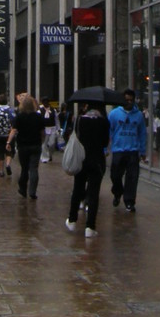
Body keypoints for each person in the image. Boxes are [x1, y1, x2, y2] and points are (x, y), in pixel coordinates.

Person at [65, 101, 110, 238]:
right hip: (97, 160)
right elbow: (104, 142)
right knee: (94, 192)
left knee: (78, 188)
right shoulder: (104, 122)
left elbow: (76, 137)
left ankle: (72, 220)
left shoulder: (80, 120)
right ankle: (90, 227)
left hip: (82, 159)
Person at [108, 88, 148, 211]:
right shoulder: (114, 114)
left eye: (131, 100)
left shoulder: (139, 115)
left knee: (132, 177)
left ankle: (129, 200)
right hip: (118, 150)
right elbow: (108, 131)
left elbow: (142, 133)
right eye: (126, 100)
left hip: (132, 151)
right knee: (115, 175)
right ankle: (117, 192)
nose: (129, 102)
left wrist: (142, 150)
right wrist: (105, 148)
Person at [9, 93, 45, 199]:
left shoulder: (19, 117)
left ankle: (23, 189)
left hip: (23, 146)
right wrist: (41, 141)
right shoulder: (38, 117)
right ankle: (32, 192)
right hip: (36, 145)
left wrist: (8, 142)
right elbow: (42, 132)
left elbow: (14, 130)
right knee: (34, 168)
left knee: (24, 168)